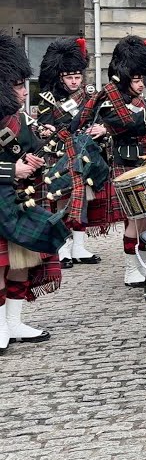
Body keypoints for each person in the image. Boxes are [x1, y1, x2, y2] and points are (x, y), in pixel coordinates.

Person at [74, 36, 146, 286]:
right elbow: (130, 123)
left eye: (142, 79)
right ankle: (130, 269)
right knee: (135, 219)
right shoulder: (108, 101)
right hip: (126, 165)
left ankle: (143, 265)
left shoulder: (142, 101)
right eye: (136, 80)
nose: (141, 84)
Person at [0, 32, 68, 351]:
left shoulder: (19, 119)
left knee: (20, 263)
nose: (25, 92)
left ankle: (14, 323)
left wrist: (39, 154)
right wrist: (13, 169)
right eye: (18, 85)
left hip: (21, 200)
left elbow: (28, 151)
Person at [35, 37, 100, 267]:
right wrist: (46, 129)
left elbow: (97, 117)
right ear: (60, 77)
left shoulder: (90, 94)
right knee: (61, 200)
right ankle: (62, 247)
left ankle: (79, 246)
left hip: (82, 151)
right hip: (59, 152)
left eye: (77, 77)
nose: (74, 82)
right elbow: (42, 124)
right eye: (70, 77)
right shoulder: (48, 98)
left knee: (81, 200)